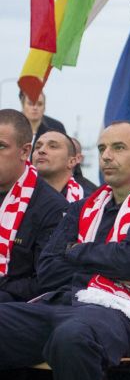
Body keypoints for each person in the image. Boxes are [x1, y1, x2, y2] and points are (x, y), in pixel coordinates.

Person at [0, 120, 130, 380]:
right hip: (59, 304)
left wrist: (75, 251)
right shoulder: (83, 207)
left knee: (72, 337)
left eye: (118, 147)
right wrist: (102, 262)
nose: (106, 156)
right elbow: (48, 270)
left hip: (119, 315)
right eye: (102, 148)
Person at [0, 110, 68, 303]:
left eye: (1, 146)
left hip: (13, 307)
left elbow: (45, 281)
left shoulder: (51, 207)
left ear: (25, 151)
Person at [31, 130, 84, 202]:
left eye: (52, 146)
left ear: (71, 161)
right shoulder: (16, 193)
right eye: (37, 147)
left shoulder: (89, 203)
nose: (41, 150)